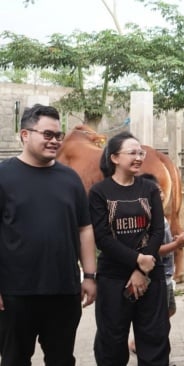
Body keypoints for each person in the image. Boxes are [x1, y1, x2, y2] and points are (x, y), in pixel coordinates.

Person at [0, 104, 97, 365]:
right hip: (15, 293)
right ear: (24, 135)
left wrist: (89, 275)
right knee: (14, 359)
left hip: (64, 291)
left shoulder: (70, 179)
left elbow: (84, 228)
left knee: (62, 359)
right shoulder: (3, 176)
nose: (55, 141)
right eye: (47, 134)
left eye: (58, 135)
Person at [89, 131, 170, 365]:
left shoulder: (149, 189)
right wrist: (137, 260)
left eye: (140, 153)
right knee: (111, 343)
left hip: (150, 275)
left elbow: (156, 231)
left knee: (154, 340)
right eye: (132, 152)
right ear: (114, 157)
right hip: (113, 278)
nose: (138, 157)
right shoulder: (99, 192)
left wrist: (142, 269)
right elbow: (102, 237)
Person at [129, 173, 184, 354]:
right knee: (158, 320)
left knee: (169, 311)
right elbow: (154, 250)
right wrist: (176, 245)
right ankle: (145, 348)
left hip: (167, 274)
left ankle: (144, 344)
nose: (162, 195)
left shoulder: (160, 216)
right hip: (157, 275)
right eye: (156, 192)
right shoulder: (147, 220)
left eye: (161, 191)